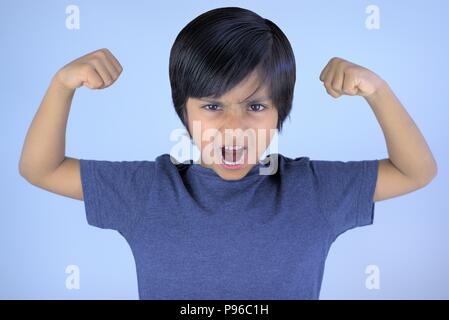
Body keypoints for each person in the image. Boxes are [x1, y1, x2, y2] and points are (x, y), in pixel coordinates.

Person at [18, 7, 437, 299]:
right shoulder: (148, 191)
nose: (233, 128)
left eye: (256, 107)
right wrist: (61, 85)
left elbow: (415, 171)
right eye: (213, 106)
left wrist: (377, 91)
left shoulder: (313, 191)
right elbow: (41, 168)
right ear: (183, 110)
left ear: (280, 113)